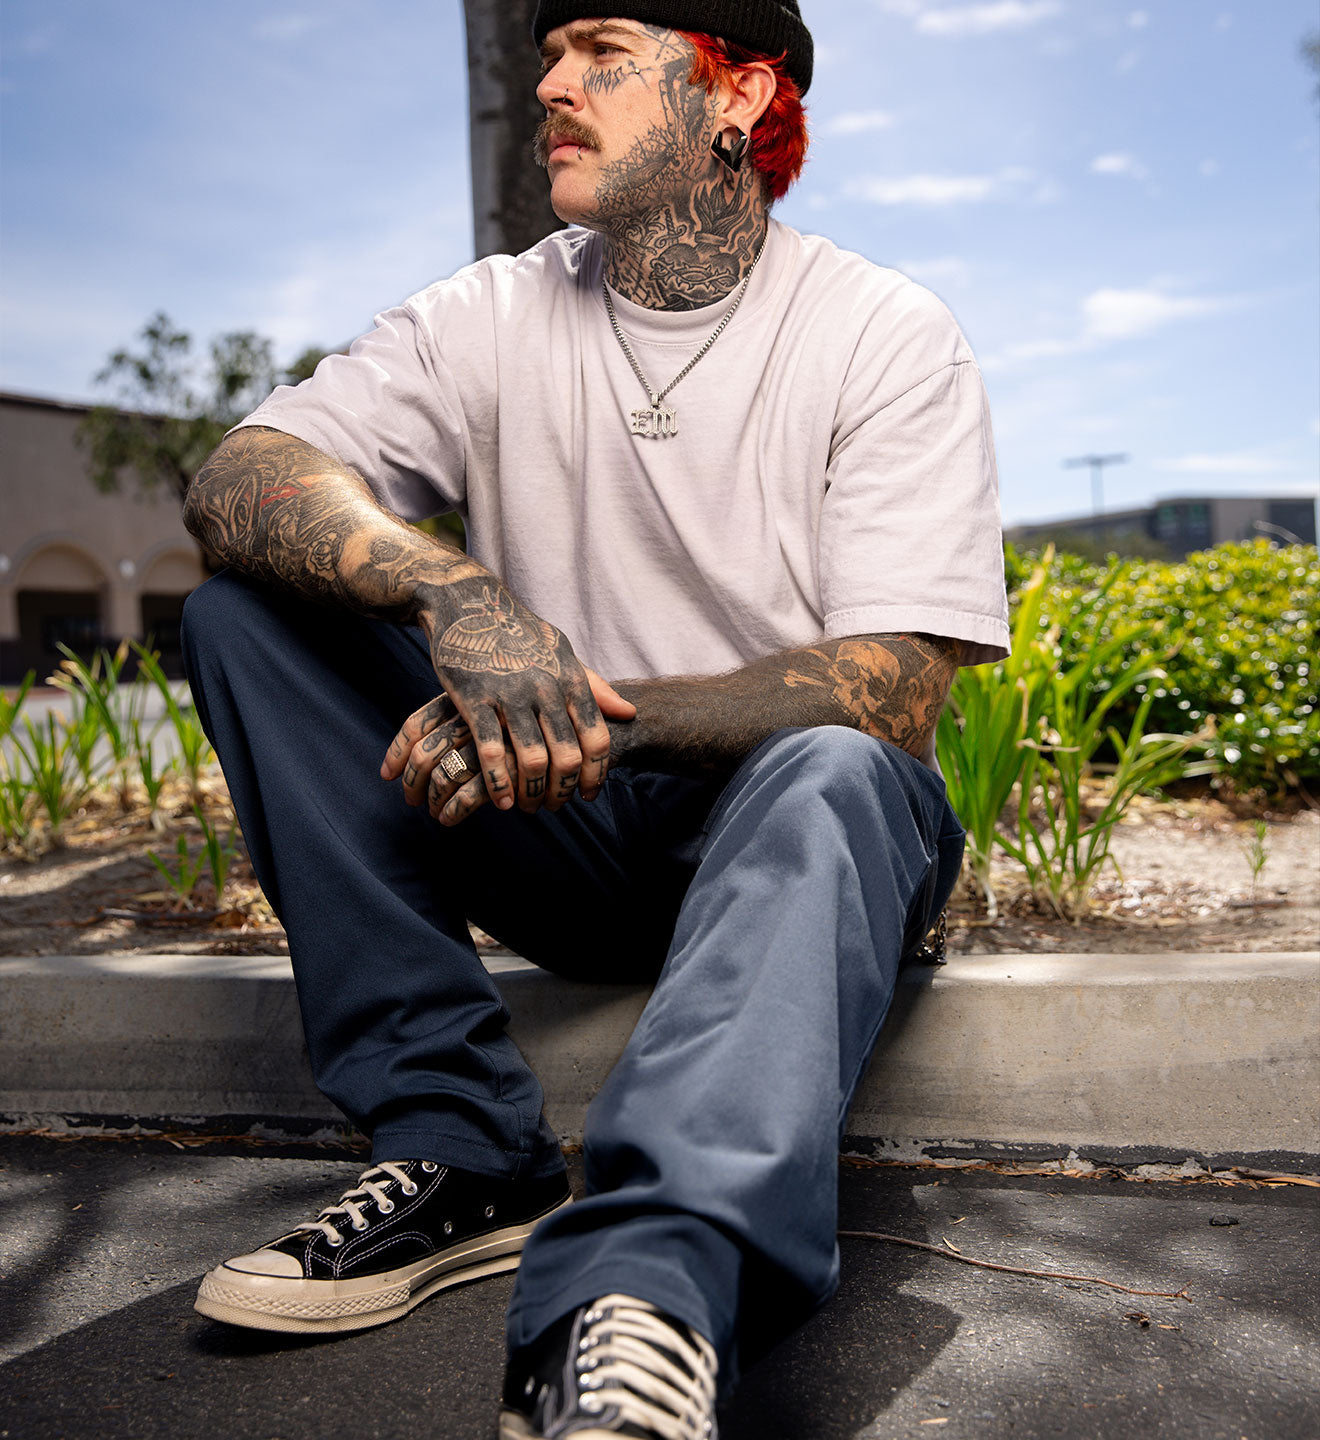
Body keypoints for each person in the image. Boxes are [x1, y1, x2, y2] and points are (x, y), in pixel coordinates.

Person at [180, 3, 1009, 1434]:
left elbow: (900, 677)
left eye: (603, 52)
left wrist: (608, 718)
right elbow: (244, 473)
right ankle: (459, 1148)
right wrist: (460, 603)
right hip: (562, 834)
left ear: (737, 88)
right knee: (246, 611)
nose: (553, 85)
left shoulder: (882, 329)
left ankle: (643, 1302)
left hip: (796, 841)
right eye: (548, 53)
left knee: (839, 763)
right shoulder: (489, 311)